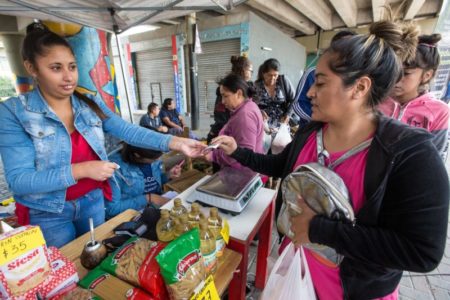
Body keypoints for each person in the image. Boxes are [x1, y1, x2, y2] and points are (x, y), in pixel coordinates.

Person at [212, 20, 449, 299]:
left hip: (352, 291)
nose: (310, 92)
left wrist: (319, 230)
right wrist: (236, 150)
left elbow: (422, 251)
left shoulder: (410, 153)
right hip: (295, 273)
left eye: (321, 83)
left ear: (359, 87)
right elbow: (279, 166)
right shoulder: (311, 132)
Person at [0, 23, 205, 248]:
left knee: (94, 261)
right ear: (32, 68)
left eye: (72, 66)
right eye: (56, 68)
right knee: (66, 272)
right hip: (49, 211)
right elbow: (19, 181)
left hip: (92, 201)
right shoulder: (13, 112)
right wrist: (84, 169)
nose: (68, 77)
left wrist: (175, 141)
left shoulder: (89, 103)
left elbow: (127, 130)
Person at [378, 34, 449, 160]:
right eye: (392, 70)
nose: (395, 79)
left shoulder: (440, 112)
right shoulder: (377, 98)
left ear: (426, 75)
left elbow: (435, 158)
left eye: (406, 73)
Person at [290, 30, 357, 127]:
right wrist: (319, 121)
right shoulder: (312, 73)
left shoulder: (356, 79)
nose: (346, 51)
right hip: (310, 131)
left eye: (351, 47)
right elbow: (298, 104)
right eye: (319, 83)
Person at [107, 142, 182, 219]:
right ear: (137, 155)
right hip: (135, 214)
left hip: (158, 203)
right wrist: (149, 198)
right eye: (154, 159)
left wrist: (167, 175)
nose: (158, 160)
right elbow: (112, 209)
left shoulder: (152, 155)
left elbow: (153, 182)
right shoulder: (114, 169)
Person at [205, 74, 264, 170]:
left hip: (243, 176)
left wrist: (213, 155)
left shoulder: (244, 116)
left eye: (225, 96)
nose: (223, 101)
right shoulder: (247, 106)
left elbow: (243, 156)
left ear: (239, 94)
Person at [206, 55, 254, 143]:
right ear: (243, 70)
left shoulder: (249, 87)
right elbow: (220, 117)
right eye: (251, 70)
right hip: (225, 135)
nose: (252, 73)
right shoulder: (226, 88)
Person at [253, 58, 295, 132]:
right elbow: (251, 105)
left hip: (281, 126)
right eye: (269, 75)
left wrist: (288, 114)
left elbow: (294, 99)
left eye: (275, 75)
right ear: (263, 74)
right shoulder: (256, 86)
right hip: (262, 126)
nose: (273, 78)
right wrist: (259, 111)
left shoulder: (283, 81)